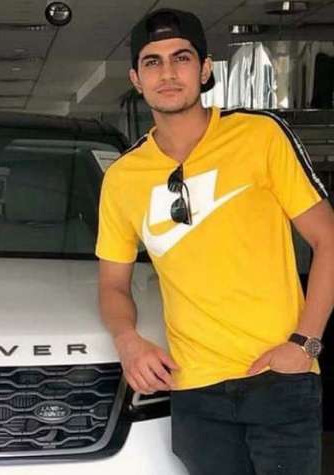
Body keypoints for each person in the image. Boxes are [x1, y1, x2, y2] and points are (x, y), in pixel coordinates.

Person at [95, 8, 334, 475]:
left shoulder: (259, 135)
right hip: (194, 388)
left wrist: (305, 344)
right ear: (136, 79)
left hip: (278, 376)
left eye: (181, 58)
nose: (167, 73)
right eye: (152, 62)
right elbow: (112, 284)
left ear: (205, 69)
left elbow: (328, 238)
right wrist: (128, 341)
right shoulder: (123, 178)